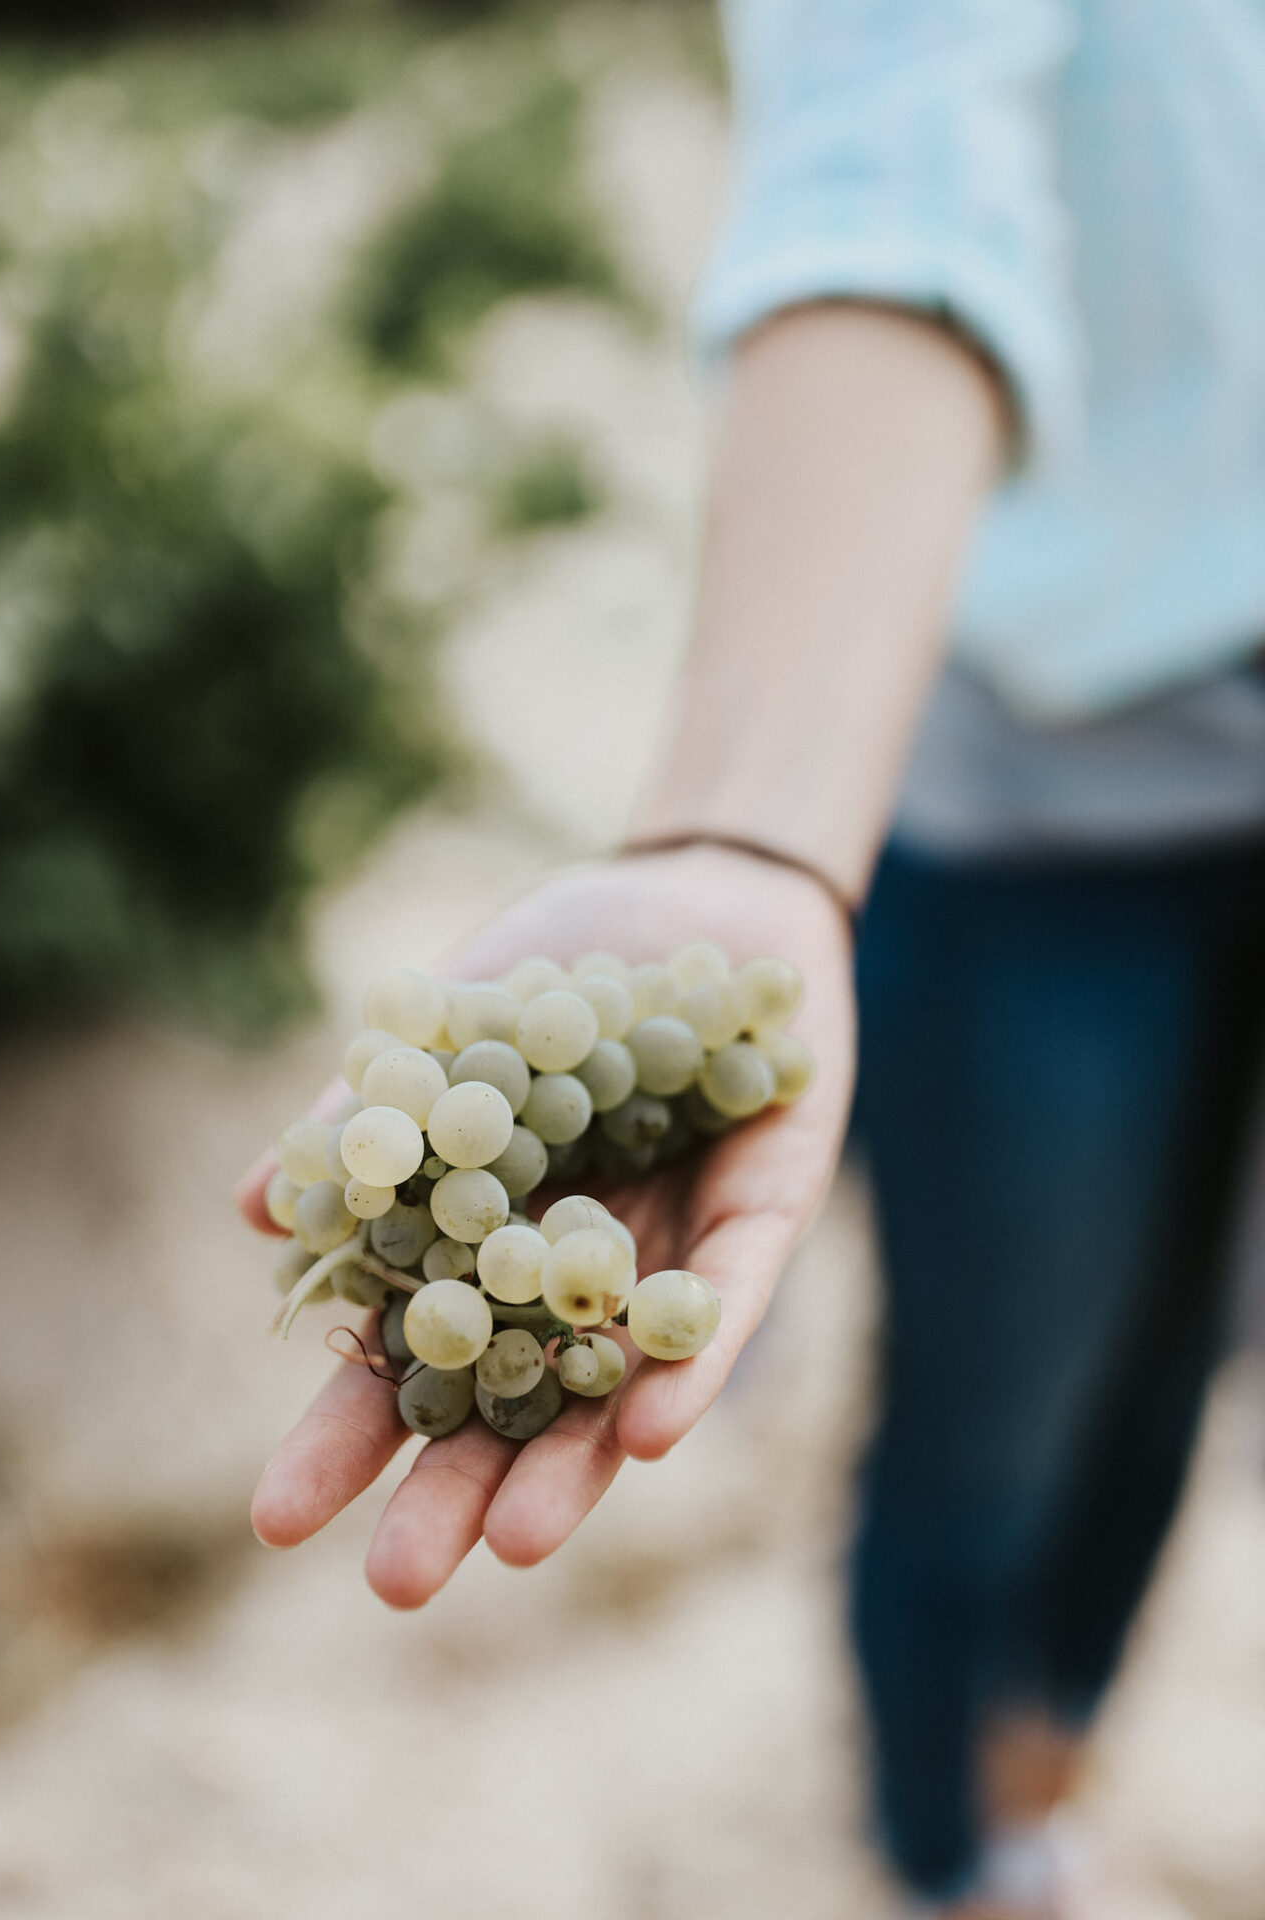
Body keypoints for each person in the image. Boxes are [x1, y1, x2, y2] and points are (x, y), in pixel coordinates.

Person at [239, 4, 1265, 1913]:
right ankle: (955, 1860)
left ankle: (1044, 1784)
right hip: (1041, 802)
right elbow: (898, 194)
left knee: (1186, 1356)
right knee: (994, 1417)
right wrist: (750, 823)